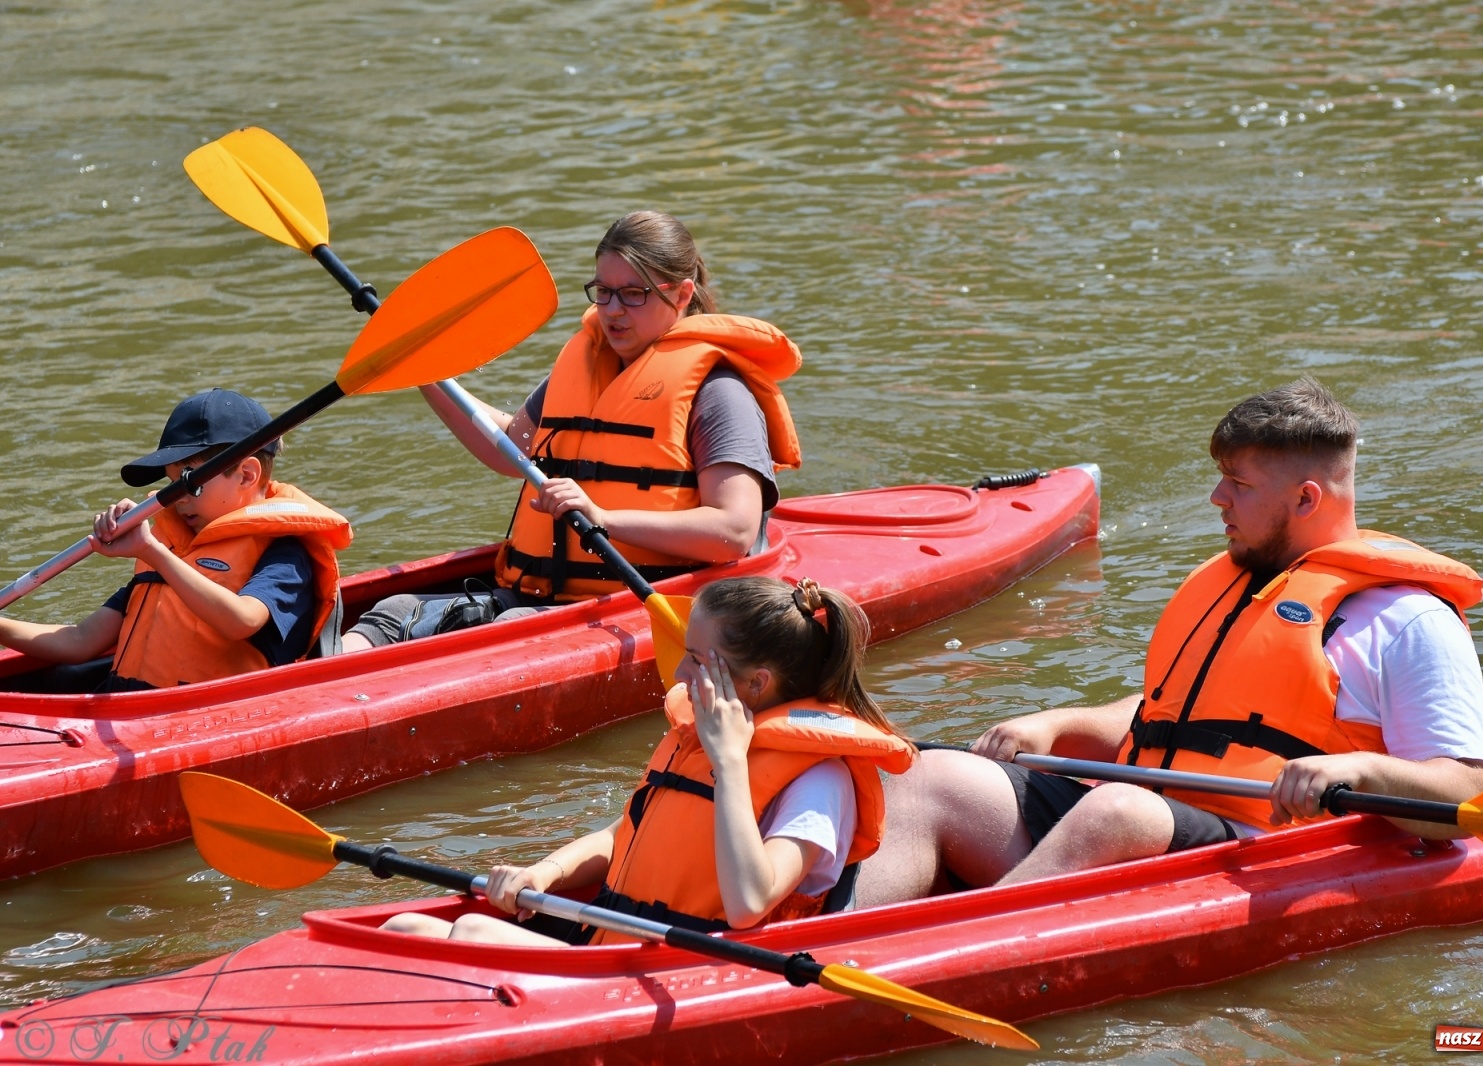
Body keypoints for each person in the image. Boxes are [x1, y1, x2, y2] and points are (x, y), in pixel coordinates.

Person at [854, 377, 1483, 904]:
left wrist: (1358, 768)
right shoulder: (1234, 582)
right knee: (933, 775)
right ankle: (829, 945)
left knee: (1119, 812)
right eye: (1222, 477)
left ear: (1306, 497)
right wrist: (1057, 726)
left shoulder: (1408, 621)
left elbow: (1465, 794)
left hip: (1265, 849)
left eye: (1239, 484)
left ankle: (950, 956)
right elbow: (1169, 716)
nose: (1217, 498)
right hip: (1149, 820)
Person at [342, 211, 803, 650]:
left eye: (633, 294)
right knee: (394, 611)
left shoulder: (717, 391)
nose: (613, 310)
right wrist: (423, 369)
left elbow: (734, 530)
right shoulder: (586, 363)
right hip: (535, 596)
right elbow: (511, 449)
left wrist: (603, 517)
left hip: (636, 603)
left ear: (682, 295)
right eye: (603, 291)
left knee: (508, 630)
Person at [381, 576, 916, 945]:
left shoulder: (820, 781)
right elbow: (626, 833)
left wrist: (730, 765)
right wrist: (544, 873)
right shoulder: (698, 736)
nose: (681, 672)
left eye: (699, 660)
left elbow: (750, 904)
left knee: (476, 934)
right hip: (614, 936)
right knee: (407, 929)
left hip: (690, 965)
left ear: (757, 683)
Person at [0, 388, 352, 691]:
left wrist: (152, 552)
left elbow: (241, 620)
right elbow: (79, 641)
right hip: (127, 710)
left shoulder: (284, 552)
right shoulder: (175, 547)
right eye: (170, 484)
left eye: (189, 483)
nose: (177, 498)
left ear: (246, 474)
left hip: (204, 717)